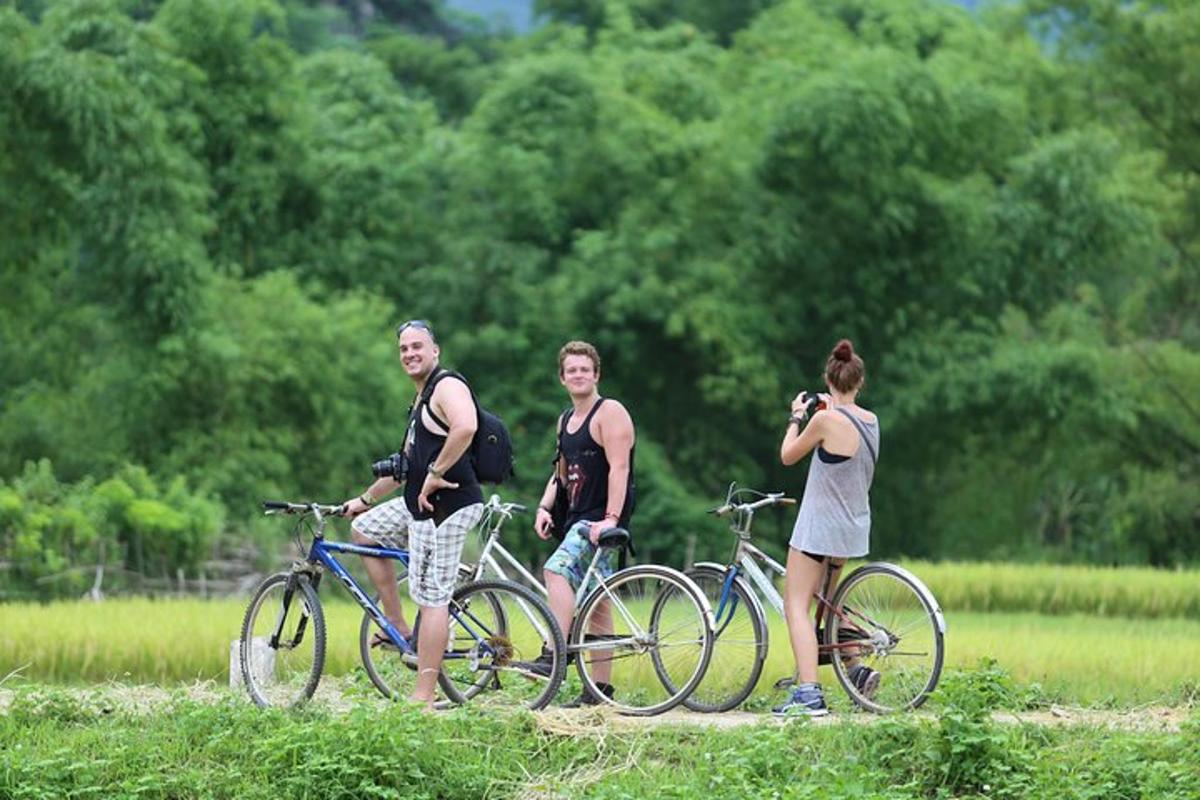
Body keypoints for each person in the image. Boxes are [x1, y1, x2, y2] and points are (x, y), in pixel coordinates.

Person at [341, 320, 485, 710]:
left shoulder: (447, 386)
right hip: (418, 508)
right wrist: (365, 500)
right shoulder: (420, 401)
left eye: (417, 346)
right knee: (364, 531)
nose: (410, 354)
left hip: (447, 507)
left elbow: (466, 425)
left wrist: (435, 475)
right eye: (404, 349)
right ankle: (397, 628)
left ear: (435, 350)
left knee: (432, 596)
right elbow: (406, 464)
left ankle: (423, 697)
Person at [774, 339, 880, 717]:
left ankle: (808, 693)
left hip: (819, 528)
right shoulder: (871, 421)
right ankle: (856, 668)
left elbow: (788, 456)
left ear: (827, 378)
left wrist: (796, 416)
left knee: (795, 606)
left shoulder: (822, 420)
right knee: (828, 604)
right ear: (860, 381)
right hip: (852, 527)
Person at [531, 341, 636, 705]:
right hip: (577, 516)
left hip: (599, 518)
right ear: (562, 378)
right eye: (571, 370)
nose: (578, 375)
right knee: (597, 603)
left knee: (555, 570)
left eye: (584, 369)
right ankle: (599, 691)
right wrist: (545, 508)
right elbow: (560, 474)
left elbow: (619, 468)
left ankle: (554, 652)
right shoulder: (566, 420)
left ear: (596, 374)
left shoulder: (611, 412)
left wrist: (611, 519)